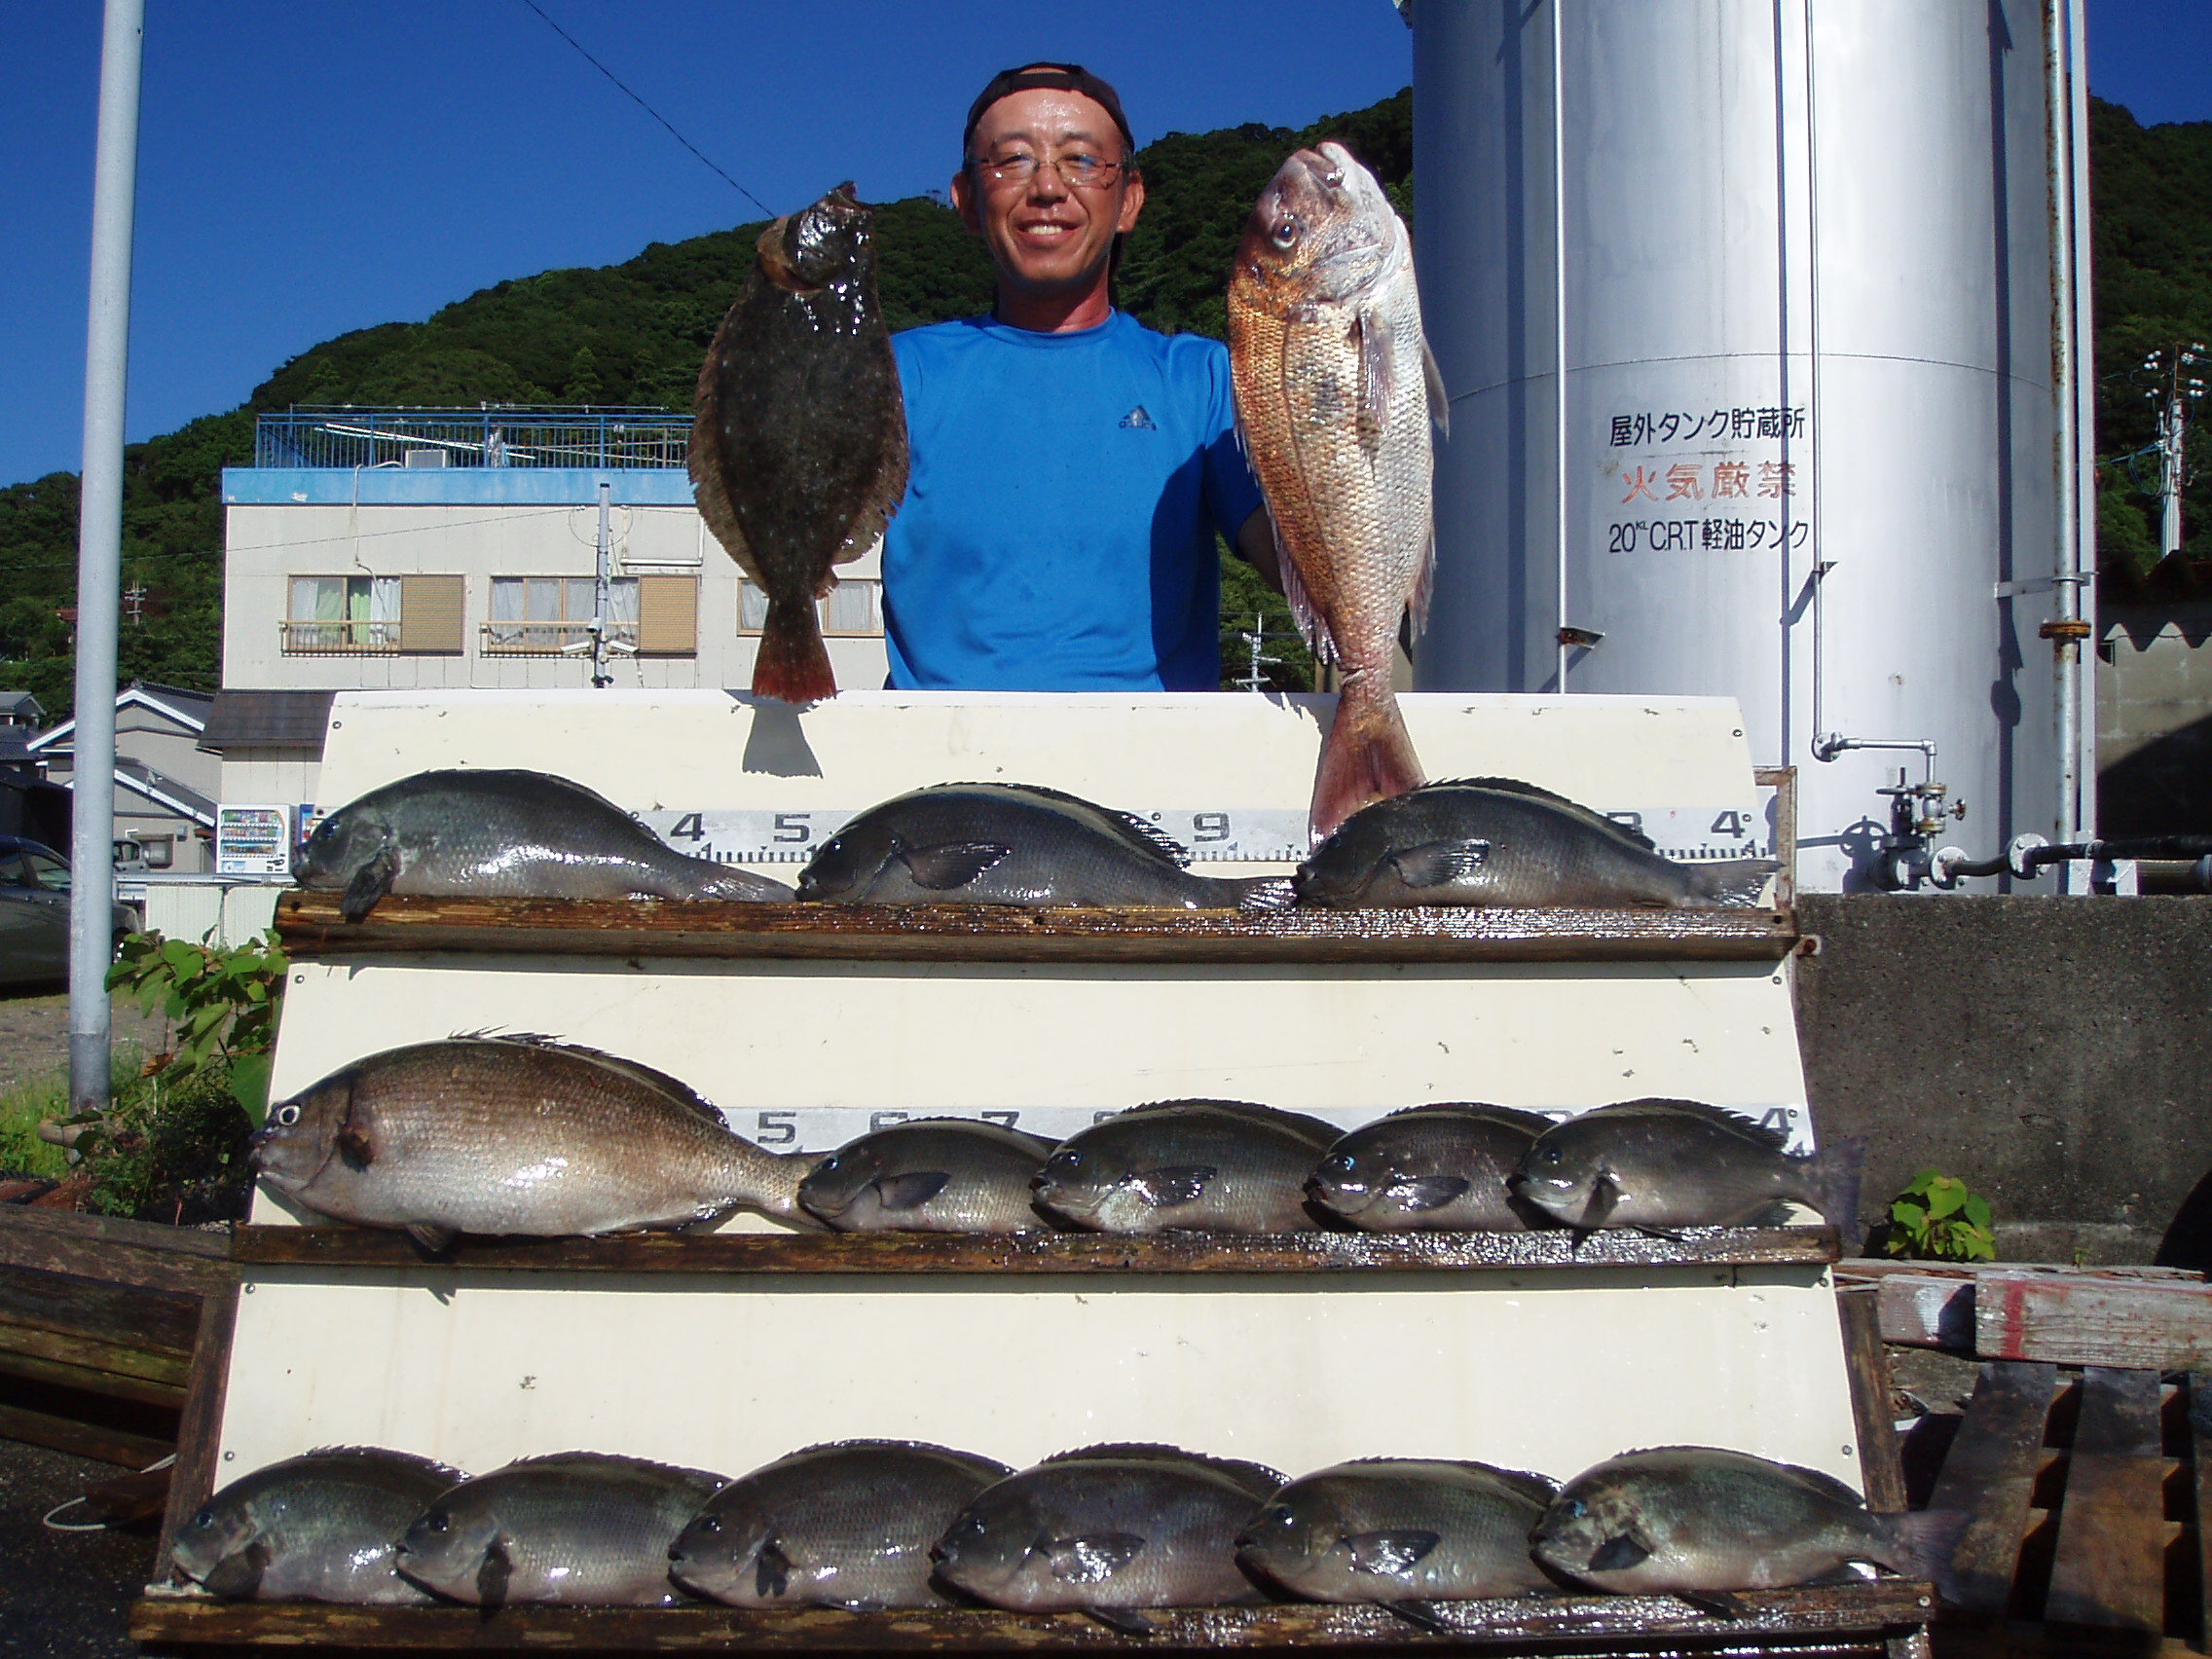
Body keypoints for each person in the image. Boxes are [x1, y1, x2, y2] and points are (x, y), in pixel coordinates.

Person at [882, 62, 1276, 692]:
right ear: (964, 201)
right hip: (942, 775)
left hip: (1149, 778)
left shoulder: (1205, 380)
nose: (1047, 187)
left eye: (1081, 160)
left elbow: (1311, 575)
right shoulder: (896, 375)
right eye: (1011, 160)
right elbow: (804, 535)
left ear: (1131, 198)